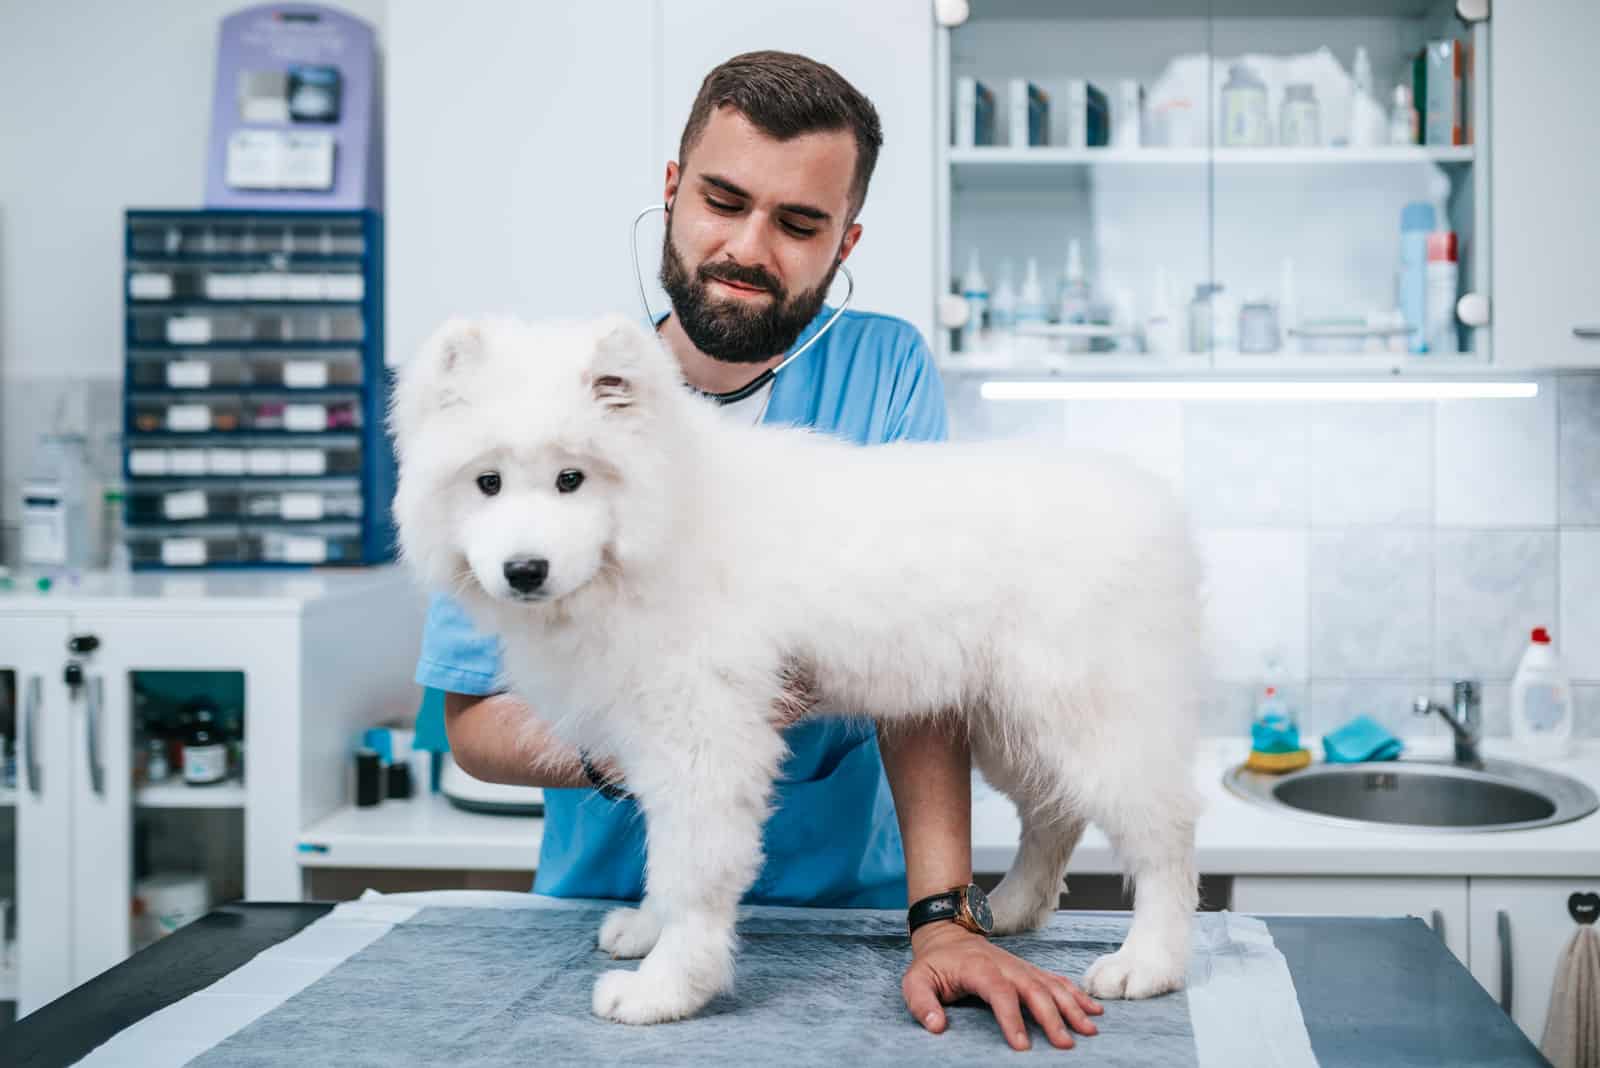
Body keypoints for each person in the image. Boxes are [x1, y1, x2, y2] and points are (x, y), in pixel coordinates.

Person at [416, 50, 1101, 1052]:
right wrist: (663, 740)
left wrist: (942, 917)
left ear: (843, 239)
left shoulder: (879, 369)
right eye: (723, 200)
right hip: (607, 912)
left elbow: (937, 657)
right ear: (671, 189)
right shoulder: (546, 396)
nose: (747, 246)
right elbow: (472, 724)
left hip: (847, 914)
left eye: (796, 223)